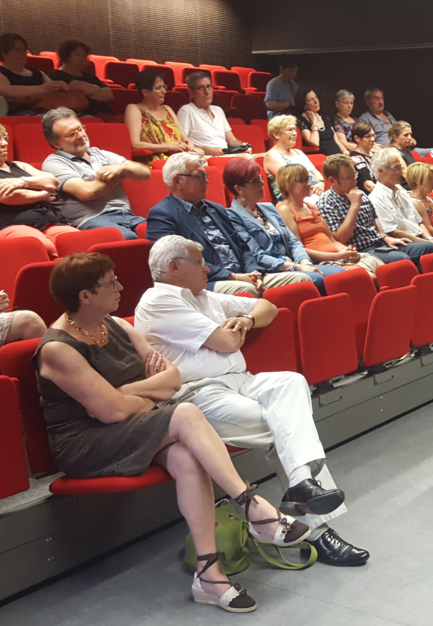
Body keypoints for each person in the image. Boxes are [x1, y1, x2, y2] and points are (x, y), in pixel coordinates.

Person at [36, 253, 307, 613]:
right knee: (186, 413)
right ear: (85, 296)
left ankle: (208, 575)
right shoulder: (57, 348)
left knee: (185, 455)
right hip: (88, 442)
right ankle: (253, 506)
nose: (120, 287)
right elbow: (109, 412)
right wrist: (138, 392)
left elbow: (172, 380)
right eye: (110, 283)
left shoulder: (116, 325)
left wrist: (124, 392)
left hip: (132, 426)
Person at [135, 236, 368, 566]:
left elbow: (267, 306)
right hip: (197, 396)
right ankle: (319, 529)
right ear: (173, 267)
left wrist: (246, 320)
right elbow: (227, 342)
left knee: (291, 381)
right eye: (199, 261)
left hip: (242, 382)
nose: (208, 267)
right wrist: (232, 331)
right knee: (284, 426)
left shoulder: (205, 297)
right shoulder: (158, 301)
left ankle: (302, 485)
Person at [145, 152, 311, 296]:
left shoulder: (215, 209)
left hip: (243, 276)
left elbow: (242, 247)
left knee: (303, 279)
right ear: (177, 181)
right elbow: (179, 262)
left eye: (206, 176)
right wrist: (233, 276)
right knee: (247, 290)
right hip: (205, 281)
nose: (207, 182)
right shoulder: (163, 214)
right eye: (199, 177)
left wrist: (253, 271)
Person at [0, 117, 79, 256]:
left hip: (48, 222)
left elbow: (52, 182)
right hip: (7, 226)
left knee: (79, 241)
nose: (4, 143)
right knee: (41, 247)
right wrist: (42, 194)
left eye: (5, 138)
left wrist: (23, 182)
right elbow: (11, 196)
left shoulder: (20, 166)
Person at [223, 158, 344, 294]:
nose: (263, 183)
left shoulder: (268, 208)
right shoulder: (232, 217)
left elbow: (293, 241)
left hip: (294, 263)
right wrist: (296, 267)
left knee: (341, 273)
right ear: (239, 189)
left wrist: (305, 262)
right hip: (271, 270)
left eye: (261, 178)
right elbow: (256, 255)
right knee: (316, 279)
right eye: (256, 181)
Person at [41, 107, 149, 239]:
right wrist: (121, 172)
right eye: (71, 134)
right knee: (128, 239)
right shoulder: (54, 163)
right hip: (92, 219)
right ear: (56, 144)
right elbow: (88, 192)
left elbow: (144, 172)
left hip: (128, 215)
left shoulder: (99, 153)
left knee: (164, 234)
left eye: (80, 129)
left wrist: (121, 168)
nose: (80, 135)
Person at [317, 154, 433, 267]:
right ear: (332, 180)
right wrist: (354, 206)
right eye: (348, 178)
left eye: (355, 175)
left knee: (429, 247)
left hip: (381, 244)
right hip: (360, 252)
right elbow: (340, 239)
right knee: (401, 259)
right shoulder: (326, 203)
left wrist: (386, 237)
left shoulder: (360, 194)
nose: (355, 181)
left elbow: (374, 223)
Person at [275, 165, 383, 278]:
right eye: (301, 181)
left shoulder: (310, 206)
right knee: (369, 277)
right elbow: (298, 249)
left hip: (336, 257)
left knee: (380, 268)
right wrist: (337, 256)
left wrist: (348, 252)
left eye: (307, 179)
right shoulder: (284, 209)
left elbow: (332, 241)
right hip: (321, 262)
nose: (308, 184)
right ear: (287, 185)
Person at [368, 148, 433, 251]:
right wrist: (427, 243)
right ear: (380, 171)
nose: (400, 172)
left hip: (422, 240)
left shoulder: (402, 192)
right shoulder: (375, 199)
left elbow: (419, 222)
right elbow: (394, 232)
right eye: (395, 168)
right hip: (404, 244)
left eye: (400, 168)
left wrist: (430, 239)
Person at [0, 33, 72, 116]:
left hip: (44, 113)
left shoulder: (37, 72)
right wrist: (42, 89)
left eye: (25, 50)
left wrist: (60, 86)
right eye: (18, 50)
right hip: (10, 115)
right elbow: (2, 91)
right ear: (4, 53)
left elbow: (52, 89)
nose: (23, 54)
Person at [124, 69, 199, 160]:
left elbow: (185, 139)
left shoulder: (167, 109)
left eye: (164, 87)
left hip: (179, 157)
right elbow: (135, 145)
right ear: (145, 92)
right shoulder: (134, 109)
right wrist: (169, 147)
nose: (164, 91)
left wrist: (188, 144)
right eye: (158, 88)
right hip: (154, 160)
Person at [176, 71, 254, 157]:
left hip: (225, 156)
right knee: (248, 159)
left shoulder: (218, 110)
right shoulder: (186, 111)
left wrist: (243, 146)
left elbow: (232, 140)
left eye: (209, 87)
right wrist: (210, 151)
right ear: (191, 92)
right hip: (204, 158)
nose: (207, 92)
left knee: (266, 156)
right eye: (201, 88)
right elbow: (182, 144)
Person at [264, 115, 325, 203]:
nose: (294, 133)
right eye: (290, 130)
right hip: (292, 200)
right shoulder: (272, 154)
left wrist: (320, 183)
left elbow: (315, 172)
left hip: (312, 194)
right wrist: (310, 189)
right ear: (276, 134)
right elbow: (291, 180)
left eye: (295, 130)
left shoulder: (298, 152)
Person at [48, 39, 115, 116]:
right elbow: (77, 87)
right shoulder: (56, 75)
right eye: (77, 55)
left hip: (105, 115)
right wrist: (98, 90)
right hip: (78, 116)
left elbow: (109, 95)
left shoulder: (90, 76)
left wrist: (84, 94)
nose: (82, 59)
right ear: (66, 55)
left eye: (84, 56)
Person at [295, 87, 345, 156]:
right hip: (322, 158)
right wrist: (314, 122)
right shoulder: (301, 120)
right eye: (310, 100)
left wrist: (345, 152)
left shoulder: (324, 117)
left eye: (316, 98)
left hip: (338, 155)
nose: (316, 102)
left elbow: (337, 141)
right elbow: (314, 142)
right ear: (304, 104)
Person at [349, 122, 378, 193]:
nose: (372, 139)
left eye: (373, 136)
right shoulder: (356, 158)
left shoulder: (376, 154)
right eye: (368, 137)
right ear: (357, 138)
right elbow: (369, 186)